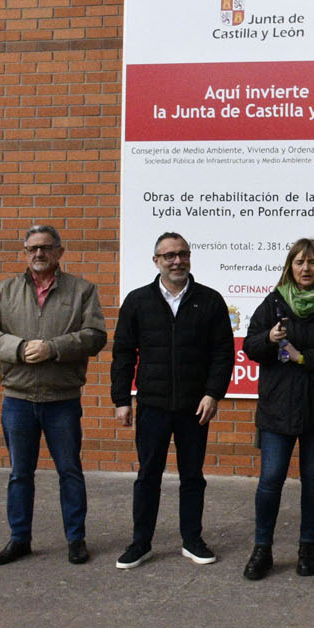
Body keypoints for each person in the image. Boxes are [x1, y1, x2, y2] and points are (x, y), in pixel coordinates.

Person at [0, 225, 107, 566]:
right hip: (17, 398)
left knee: (70, 471)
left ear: (59, 252)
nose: (39, 254)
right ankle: (19, 538)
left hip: (61, 399)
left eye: (46, 248)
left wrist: (54, 348)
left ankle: (76, 539)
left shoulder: (82, 290)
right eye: (33, 248)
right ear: (24, 253)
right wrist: (19, 348)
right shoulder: (5, 291)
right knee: (20, 473)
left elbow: (95, 336)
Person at [110, 232, 235, 569]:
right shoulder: (138, 301)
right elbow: (122, 353)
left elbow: (223, 353)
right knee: (148, 475)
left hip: (195, 407)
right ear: (156, 261)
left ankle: (192, 540)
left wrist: (213, 393)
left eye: (182, 254)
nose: (177, 261)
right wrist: (122, 399)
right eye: (169, 256)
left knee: (192, 476)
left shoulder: (209, 300)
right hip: (152, 405)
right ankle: (141, 543)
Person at [241, 238, 314, 580]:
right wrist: (268, 340)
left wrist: (305, 357)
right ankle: (263, 549)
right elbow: (249, 345)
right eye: (299, 262)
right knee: (271, 479)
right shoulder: (274, 302)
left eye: (312, 263)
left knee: (313, 480)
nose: (306, 269)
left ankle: (307, 547)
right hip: (279, 408)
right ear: (290, 267)